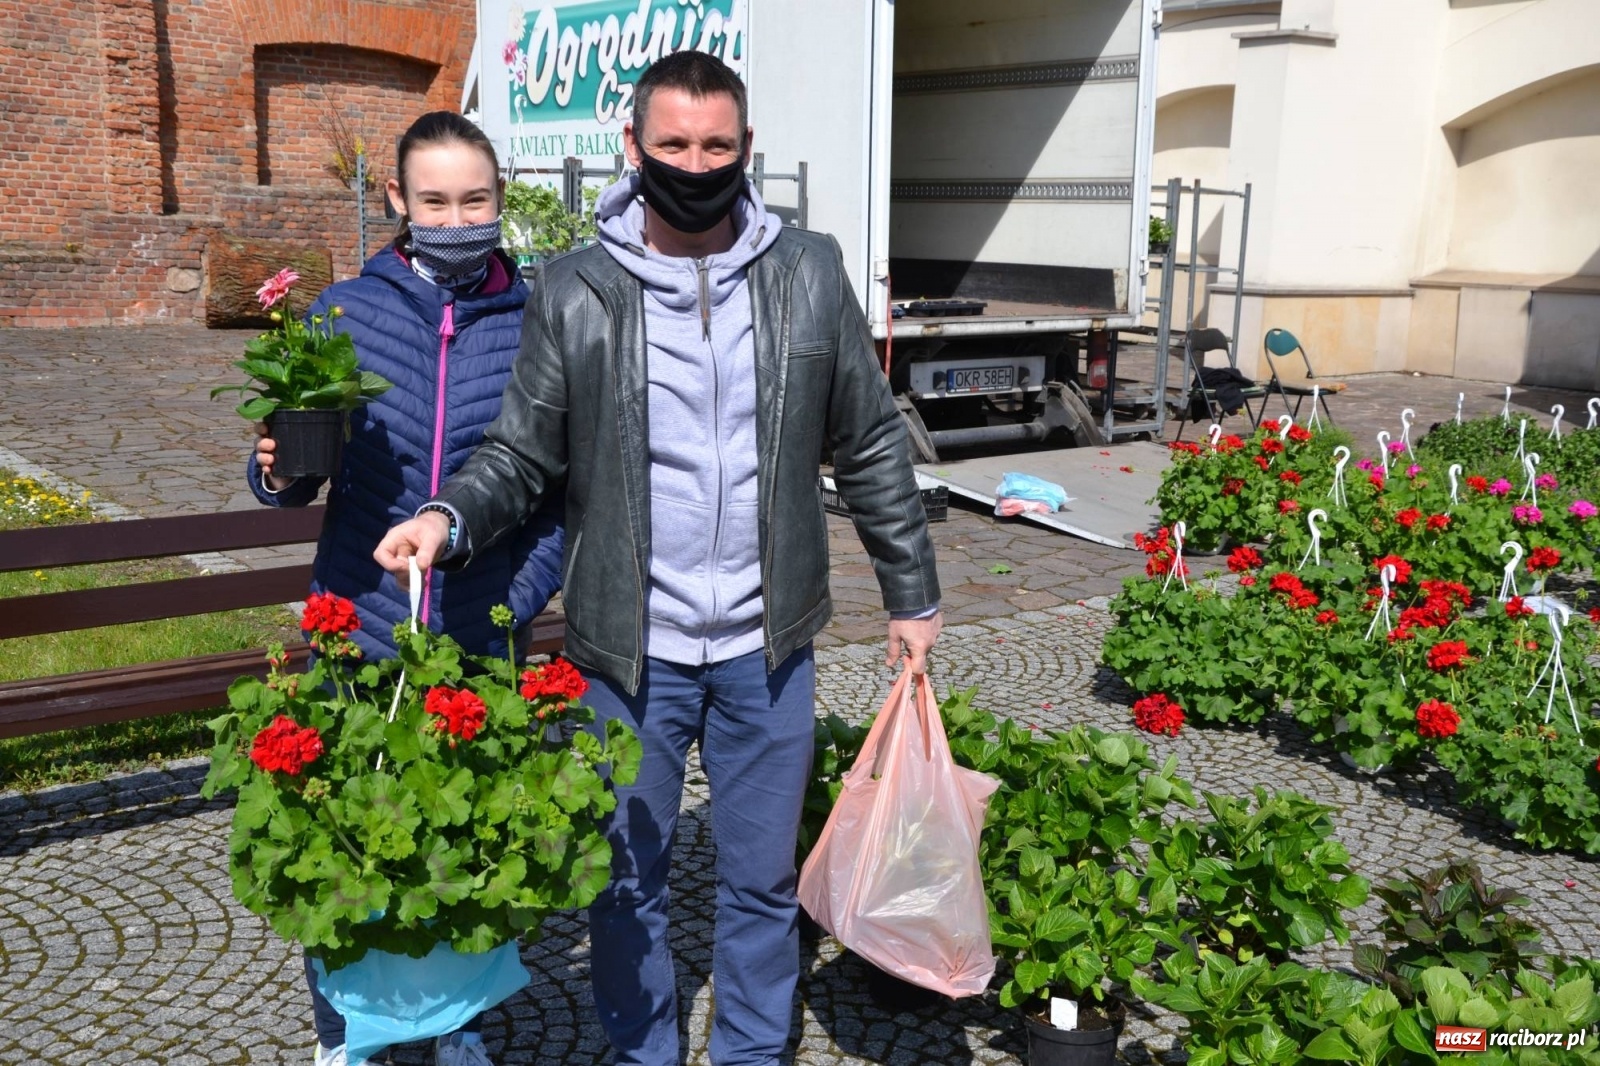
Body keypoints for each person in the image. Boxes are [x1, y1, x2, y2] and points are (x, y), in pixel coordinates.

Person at [372, 52, 941, 1066]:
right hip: (627, 649)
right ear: (632, 147)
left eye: (717, 145)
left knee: (761, 882)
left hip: (767, 645)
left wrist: (913, 591)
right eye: (673, 143)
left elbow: (867, 441)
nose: (696, 164)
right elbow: (521, 451)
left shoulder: (808, 272)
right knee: (623, 880)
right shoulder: (576, 289)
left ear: (747, 147)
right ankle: (644, 1053)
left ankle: (750, 1054)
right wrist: (447, 520)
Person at [250, 110, 563, 1066]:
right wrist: (274, 472)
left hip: (475, 634)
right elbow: (295, 471)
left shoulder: (539, 324)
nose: (457, 220)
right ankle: (344, 1039)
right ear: (397, 199)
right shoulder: (343, 312)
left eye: (475, 201)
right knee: (342, 846)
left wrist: (517, 596)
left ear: (500, 199)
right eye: (435, 202)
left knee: (459, 852)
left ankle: (456, 1040)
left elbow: (558, 497)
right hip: (360, 624)